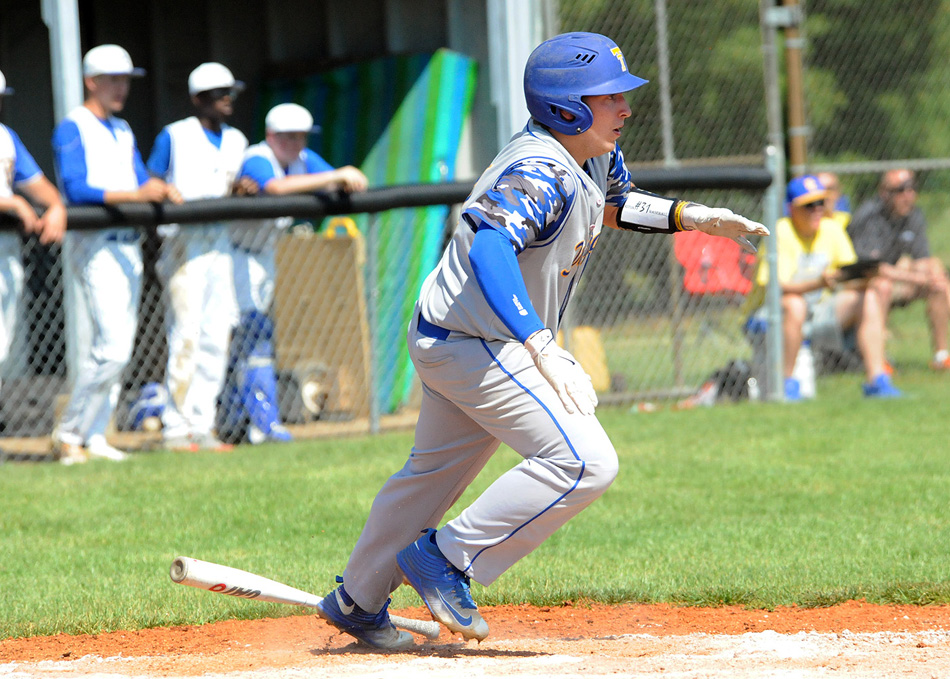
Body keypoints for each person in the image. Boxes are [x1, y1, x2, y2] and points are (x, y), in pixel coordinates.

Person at [311, 32, 768, 650]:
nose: (625, 109)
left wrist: (694, 217)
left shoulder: (589, 153)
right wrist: (538, 343)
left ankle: (358, 599)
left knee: (432, 475)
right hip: (476, 339)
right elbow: (491, 247)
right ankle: (446, 559)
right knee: (585, 461)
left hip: (460, 332)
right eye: (610, 98)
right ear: (567, 107)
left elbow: (615, 203)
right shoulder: (539, 168)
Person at [51, 44, 180, 464]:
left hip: (128, 245)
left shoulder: (123, 129)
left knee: (119, 343)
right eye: (113, 79)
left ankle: (94, 434)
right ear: (91, 81)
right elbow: (76, 189)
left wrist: (161, 189)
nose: (121, 87)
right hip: (96, 243)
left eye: (125, 79)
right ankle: (69, 431)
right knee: (112, 348)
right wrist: (138, 193)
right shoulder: (73, 126)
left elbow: (141, 178)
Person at [217, 102, 368, 444]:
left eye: (300, 137)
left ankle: (247, 423)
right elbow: (275, 188)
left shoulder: (302, 160)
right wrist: (334, 176)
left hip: (264, 255)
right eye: (288, 137)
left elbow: (342, 181)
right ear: (271, 136)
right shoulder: (258, 156)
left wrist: (339, 179)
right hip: (233, 256)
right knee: (241, 337)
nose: (296, 144)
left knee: (253, 338)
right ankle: (251, 423)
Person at [147, 62, 255, 453]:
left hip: (220, 239)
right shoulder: (175, 135)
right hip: (183, 240)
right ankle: (177, 427)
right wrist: (161, 189)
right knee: (186, 332)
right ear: (197, 99)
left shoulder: (237, 140)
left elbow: (232, 184)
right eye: (217, 93)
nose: (226, 99)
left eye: (229, 92)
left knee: (217, 332)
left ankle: (202, 424)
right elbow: (151, 178)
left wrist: (242, 190)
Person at [745, 175, 900, 401]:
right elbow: (775, 287)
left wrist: (865, 278)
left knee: (869, 295)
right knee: (794, 303)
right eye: (809, 205)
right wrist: (819, 283)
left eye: (821, 203)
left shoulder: (831, 229)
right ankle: (786, 385)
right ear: (792, 208)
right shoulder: (780, 232)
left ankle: (877, 380)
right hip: (771, 317)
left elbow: (845, 274)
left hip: (817, 312)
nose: (817, 209)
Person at [0, 69, 68, 456]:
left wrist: (55, 206)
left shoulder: (5, 137)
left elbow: (40, 187)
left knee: (1, 348)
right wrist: (12, 202)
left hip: (5, 252)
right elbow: (19, 196)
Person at [848, 168, 950, 371]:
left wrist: (933, 273)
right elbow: (872, 269)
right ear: (884, 193)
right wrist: (917, 278)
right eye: (901, 190)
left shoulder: (914, 215)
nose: (908, 195)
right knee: (882, 285)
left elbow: (922, 259)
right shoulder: (869, 216)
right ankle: (879, 359)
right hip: (859, 285)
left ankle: (941, 356)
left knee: (937, 281)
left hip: (895, 278)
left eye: (912, 188)